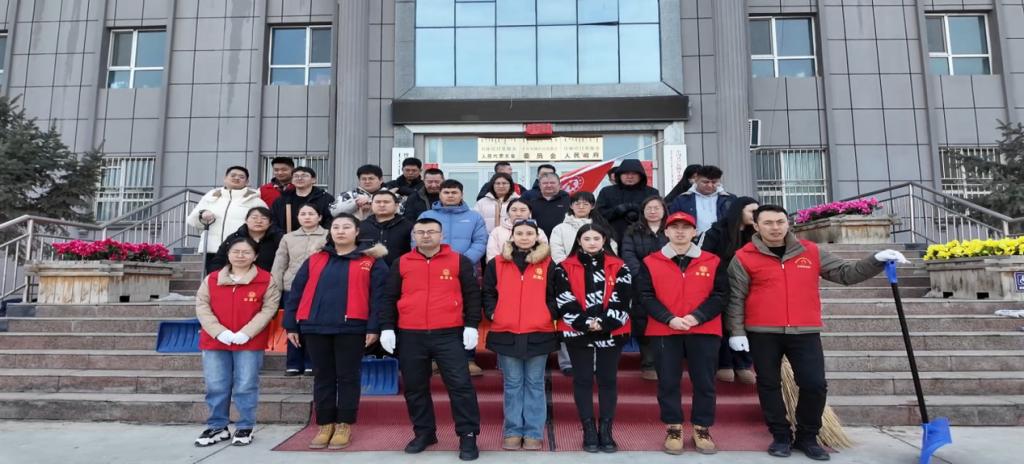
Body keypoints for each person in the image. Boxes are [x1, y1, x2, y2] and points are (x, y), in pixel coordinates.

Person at [726, 205, 910, 460]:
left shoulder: (810, 251)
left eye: (780, 222)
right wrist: (736, 332)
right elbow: (736, 298)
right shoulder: (743, 257)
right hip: (763, 331)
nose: (775, 228)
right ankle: (780, 436)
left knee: (814, 384)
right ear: (756, 226)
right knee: (769, 385)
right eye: (768, 223)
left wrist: (875, 259)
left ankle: (807, 436)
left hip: (805, 331)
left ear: (788, 223)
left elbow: (846, 274)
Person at [378, 218, 483, 461]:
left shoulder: (459, 261)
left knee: (461, 386)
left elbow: (472, 295)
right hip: (410, 334)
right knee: (415, 388)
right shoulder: (402, 262)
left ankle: (468, 435)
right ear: (414, 236)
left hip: (449, 334)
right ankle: (424, 433)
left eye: (431, 231)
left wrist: (471, 325)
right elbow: (389, 297)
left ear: (441, 235)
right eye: (420, 232)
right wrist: (387, 328)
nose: (426, 236)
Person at [283, 214, 389, 450]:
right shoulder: (316, 258)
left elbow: (380, 298)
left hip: (352, 327)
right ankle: (325, 424)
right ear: (330, 232)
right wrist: (291, 324)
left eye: (346, 227)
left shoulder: (371, 261)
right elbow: (296, 292)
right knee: (323, 376)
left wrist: (374, 327)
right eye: (336, 227)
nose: (340, 231)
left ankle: (344, 424)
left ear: (357, 232)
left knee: (348, 376)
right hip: (315, 326)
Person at [635, 212, 728, 455]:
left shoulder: (712, 260)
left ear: (694, 232)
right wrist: (669, 319)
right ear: (665, 232)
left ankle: (702, 428)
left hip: (704, 329)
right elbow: (645, 296)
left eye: (685, 227)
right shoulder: (650, 261)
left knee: (705, 382)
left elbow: (721, 295)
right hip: (664, 329)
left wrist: (697, 316)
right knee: (668, 381)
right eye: (674, 227)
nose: (680, 231)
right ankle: (673, 428)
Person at [194, 237, 281, 447]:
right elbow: (202, 306)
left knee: (246, 385)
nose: (240, 256)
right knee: (216, 385)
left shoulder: (265, 279)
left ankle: (245, 426)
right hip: (215, 342)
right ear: (228, 254)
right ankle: (217, 426)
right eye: (236, 252)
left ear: (255, 256)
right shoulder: (212, 279)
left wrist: (247, 333)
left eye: (246, 252)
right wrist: (219, 332)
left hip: (249, 342)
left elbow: (269, 309)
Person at [553, 224, 632, 453]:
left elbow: (623, 298)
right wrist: (586, 322)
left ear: (604, 240)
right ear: (579, 241)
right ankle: (588, 429)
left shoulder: (620, 266)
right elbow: (563, 298)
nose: (592, 242)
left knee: (608, 380)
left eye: (596, 238)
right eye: (586, 238)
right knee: (583, 379)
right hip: (577, 330)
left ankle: (606, 430)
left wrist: (605, 322)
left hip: (612, 330)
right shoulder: (563, 267)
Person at [482, 219, 558, 451]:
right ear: (512, 236)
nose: (524, 237)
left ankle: (533, 432)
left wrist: (547, 314)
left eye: (529, 233)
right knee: (513, 383)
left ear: (537, 237)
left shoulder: (548, 263)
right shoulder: (497, 263)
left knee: (535, 383)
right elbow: (488, 292)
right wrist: (494, 312)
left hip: (539, 331)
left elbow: (555, 295)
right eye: (520, 233)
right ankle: (513, 430)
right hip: (506, 331)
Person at [547, 191, 615, 376]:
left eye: (586, 203)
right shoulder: (560, 228)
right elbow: (557, 253)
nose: (581, 206)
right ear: (571, 206)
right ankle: (568, 362)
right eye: (577, 203)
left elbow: (612, 250)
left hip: (599, 277)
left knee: (596, 316)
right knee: (570, 315)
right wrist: (571, 270)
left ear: (592, 206)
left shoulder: (602, 226)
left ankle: (595, 362)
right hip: (568, 277)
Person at [700, 196, 759, 384]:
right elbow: (705, 258)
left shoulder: (756, 235)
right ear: (739, 211)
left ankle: (743, 364)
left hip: (749, 286)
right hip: (721, 285)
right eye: (752, 211)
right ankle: (724, 363)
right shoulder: (716, 232)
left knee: (745, 323)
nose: (756, 215)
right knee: (723, 324)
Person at [271, 204, 329, 376]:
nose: (307, 217)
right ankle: (293, 363)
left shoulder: (328, 235)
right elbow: (279, 264)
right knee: (292, 324)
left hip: (319, 286)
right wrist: (276, 288)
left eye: (311, 213)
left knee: (313, 325)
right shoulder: (288, 238)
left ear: (319, 217)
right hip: (292, 285)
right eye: (303, 214)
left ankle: (311, 362)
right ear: (298, 217)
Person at [620, 196, 669, 381]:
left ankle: (666, 363)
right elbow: (628, 255)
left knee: (666, 319)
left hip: (668, 282)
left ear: (664, 210)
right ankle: (648, 363)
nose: (653, 211)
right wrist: (642, 276)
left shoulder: (672, 229)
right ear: (643, 211)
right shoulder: (632, 231)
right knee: (642, 321)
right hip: (640, 281)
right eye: (649, 208)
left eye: (657, 208)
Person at [187, 166, 268, 274]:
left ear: (247, 182)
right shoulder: (211, 196)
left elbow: (265, 225)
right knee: (214, 279)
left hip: (241, 251)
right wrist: (202, 214)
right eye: (233, 175)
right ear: (225, 178)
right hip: (212, 249)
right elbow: (192, 220)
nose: (237, 178)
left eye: (241, 177)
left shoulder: (255, 201)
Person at [417, 179, 488, 267]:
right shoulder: (426, 216)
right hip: (432, 265)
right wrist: (428, 259)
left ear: (462, 195)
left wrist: (464, 261)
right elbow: (416, 240)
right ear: (439, 195)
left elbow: (480, 242)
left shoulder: (475, 217)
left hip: (464, 266)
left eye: (454, 192)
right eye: (446, 192)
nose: (450, 195)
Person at [596, 159, 660, 241]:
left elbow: (659, 214)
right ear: (619, 175)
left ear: (641, 175)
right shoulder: (607, 192)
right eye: (626, 173)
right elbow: (598, 215)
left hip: (644, 238)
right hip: (613, 238)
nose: (630, 177)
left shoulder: (651, 192)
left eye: (634, 173)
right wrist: (617, 210)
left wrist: (639, 212)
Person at [209, 207, 282, 272]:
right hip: (235, 279)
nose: (259, 221)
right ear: (246, 220)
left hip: (267, 279)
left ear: (270, 223)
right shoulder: (234, 238)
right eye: (254, 217)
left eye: (264, 218)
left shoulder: (278, 239)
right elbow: (218, 261)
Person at [669, 165, 736, 234]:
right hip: (692, 239)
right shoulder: (682, 200)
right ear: (696, 180)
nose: (710, 185)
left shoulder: (730, 199)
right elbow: (672, 222)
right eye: (705, 182)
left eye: (714, 182)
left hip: (722, 239)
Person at [358, 190, 414, 266]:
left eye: (386, 202)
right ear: (371, 205)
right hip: (368, 270)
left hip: (399, 270)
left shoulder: (408, 226)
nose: (382, 205)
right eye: (377, 202)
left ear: (396, 205)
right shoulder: (361, 226)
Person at [270, 166, 333, 232]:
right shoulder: (282, 201)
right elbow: (274, 222)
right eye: (296, 176)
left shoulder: (326, 199)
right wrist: (283, 236)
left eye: (304, 176)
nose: (299, 178)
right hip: (288, 237)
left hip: (319, 237)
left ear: (313, 180)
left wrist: (321, 236)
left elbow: (330, 221)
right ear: (292, 180)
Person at [485, 199, 549, 263]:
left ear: (530, 212)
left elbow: (544, 253)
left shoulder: (539, 231)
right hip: (502, 267)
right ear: (508, 213)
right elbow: (491, 256)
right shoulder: (497, 231)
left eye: (523, 210)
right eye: (514, 210)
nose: (518, 214)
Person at [528, 172, 571, 238]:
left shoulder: (569, 200)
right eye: (545, 183)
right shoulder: (531, 202)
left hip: (563, 239)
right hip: (538, 240)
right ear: (539, 185)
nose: (549, 185)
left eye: (552, 183)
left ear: (559, 185)